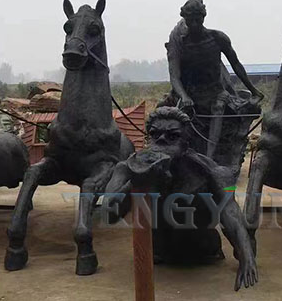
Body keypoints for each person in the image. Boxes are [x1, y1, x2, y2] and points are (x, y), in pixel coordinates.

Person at [105, 107, 257, 291]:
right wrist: (138, 180)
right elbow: (109, 214)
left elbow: (230, 211)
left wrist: (246, 255)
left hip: (204, 257)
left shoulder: (212, 172)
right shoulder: (128, 167)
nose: (161, 140)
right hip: (157, 257)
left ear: (186, 143)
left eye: (172, 136)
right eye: (155, 134)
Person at [164, 0, 263, 158]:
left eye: (198, 19)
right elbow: (174, 76)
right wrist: (184, 96)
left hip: (216, 93)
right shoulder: (180, 45)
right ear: (185, 19)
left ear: (204, 17)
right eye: (191, 20)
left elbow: (236, 65)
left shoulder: (217, 38)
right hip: (191, 95)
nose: (195, 24)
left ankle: (209, 158)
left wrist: (253, 90)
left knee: (218, 107)